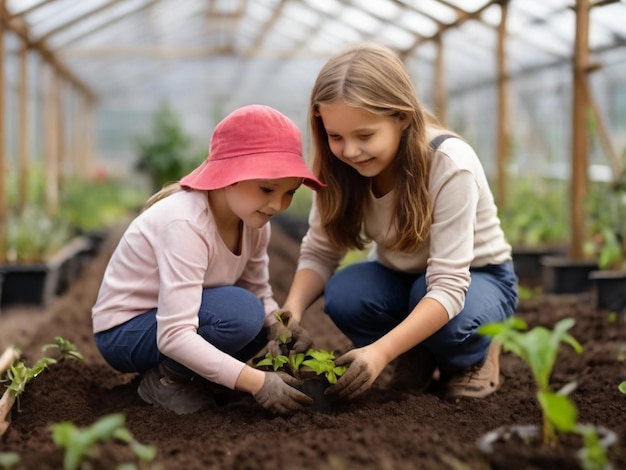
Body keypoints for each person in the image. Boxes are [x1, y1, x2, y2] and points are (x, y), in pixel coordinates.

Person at [281, 43, 518, 401]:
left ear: (403, 117)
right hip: (401, 276)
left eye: (365, 135)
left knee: (452, 323)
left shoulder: (448, 163)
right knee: (346, 294)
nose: (349, 151)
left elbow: (449, 285)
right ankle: (416, 356)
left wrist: (380, 351)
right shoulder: (339, 169)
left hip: (477, 277)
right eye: (335, 137)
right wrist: (290, 313)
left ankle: (478, 353)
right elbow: (321, 250)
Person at [92, 104, 324, 415]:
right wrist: (258, 382)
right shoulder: (186, 223)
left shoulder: (254, 224)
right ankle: (166, 381)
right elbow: (174, 334)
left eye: (289, 193)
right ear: (229, 176)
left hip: (167, 322)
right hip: (124, 333)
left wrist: (278, 324)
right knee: (239, 313)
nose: (277, 204)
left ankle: (196, 377)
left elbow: (259, 291)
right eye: (267, 189)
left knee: (255, 321)